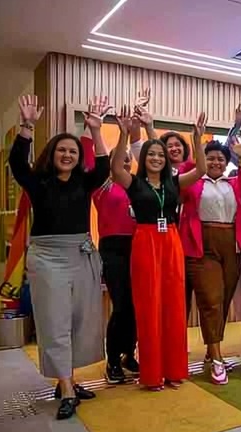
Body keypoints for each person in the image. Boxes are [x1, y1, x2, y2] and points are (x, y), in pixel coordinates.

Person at [11, 95, 110, 420]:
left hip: (80, 253)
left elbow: (105, 167)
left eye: (72, 151)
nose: (67, 154)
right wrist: (26, 127)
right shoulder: (38, 182)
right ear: (52, 155)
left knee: (79, 321)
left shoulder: (85, 180)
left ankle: (68, 379)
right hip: (47, 257)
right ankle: (66, 387)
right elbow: (16, 164)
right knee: (54, 321)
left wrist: (95, 130)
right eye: (61, 150)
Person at [110, 107, 208, 390]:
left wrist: (198, 139)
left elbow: (200, 169)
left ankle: (173, 371)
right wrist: (124, 134)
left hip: (172, 243)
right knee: (148, 306)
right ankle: (152, 374)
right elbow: (117, 168)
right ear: (143, 158)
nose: (155, 158)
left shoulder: (173, 183)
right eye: (151, 154)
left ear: (166, 160)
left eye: (160, 155)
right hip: (144, 242)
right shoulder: (134, 183)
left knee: (174, 308)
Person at [179, 139, 241, 384]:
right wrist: (196, 146)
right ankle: (217, 357)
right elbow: (184, 173)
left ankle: (212, 352)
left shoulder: (233, 183)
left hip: (231, 245)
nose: (215, 162)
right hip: (202, 246)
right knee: (210, 300)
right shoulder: (193, 182)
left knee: (222, 301)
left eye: (220, 159)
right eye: (210, 158)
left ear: (226, 163)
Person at [93, 115, 143, 385]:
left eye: (127, 160)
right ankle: (112, 360)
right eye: (119, 159)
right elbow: (108, 161)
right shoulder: (103, 186)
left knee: (136, 306)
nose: (124, 162)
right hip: (113, 248)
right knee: (121, 306)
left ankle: (128, 354)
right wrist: (123, 134)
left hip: (138, 247)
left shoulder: (135, 185)